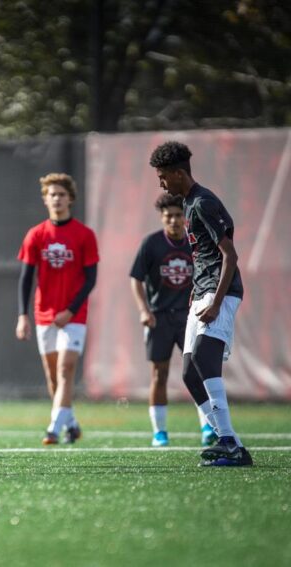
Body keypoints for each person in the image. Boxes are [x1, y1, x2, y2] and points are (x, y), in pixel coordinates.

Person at [149, 141, 252, 466]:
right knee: (190, 374)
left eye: (164, 176)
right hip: (201, 292)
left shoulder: (203, 202)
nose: (162, 183)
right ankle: (230, 441)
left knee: (206, 363)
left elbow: (230, 255)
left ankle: (227, 443)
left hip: (219, 293)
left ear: (179, 173)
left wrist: (217, 302)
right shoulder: (191, 202)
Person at [15, 173, 99, 445]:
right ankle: (71, 424)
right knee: (53, 377)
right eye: (52, 194)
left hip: (74, 316)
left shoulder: (84, 235)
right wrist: (22, 316)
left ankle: (53, 428)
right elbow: (26, 278)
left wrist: (71, 311)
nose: (57, 198)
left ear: (70, 199)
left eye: (62, 194)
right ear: (45, 199)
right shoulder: (36, 234)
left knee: (65, 370)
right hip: (44, 314)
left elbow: (91, 279)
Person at [129, 193, 217, 447]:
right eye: (169, 216)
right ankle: (160, 432)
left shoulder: (195, 242)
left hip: (190, 316)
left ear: (185, 217)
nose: (174, 220)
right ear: (162, 217)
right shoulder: (152, 244)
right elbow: (136, 278)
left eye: (179, 215)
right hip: (159, 319)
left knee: (198, 371)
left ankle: (208, 427)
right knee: (159, 374)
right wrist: (144, 311)